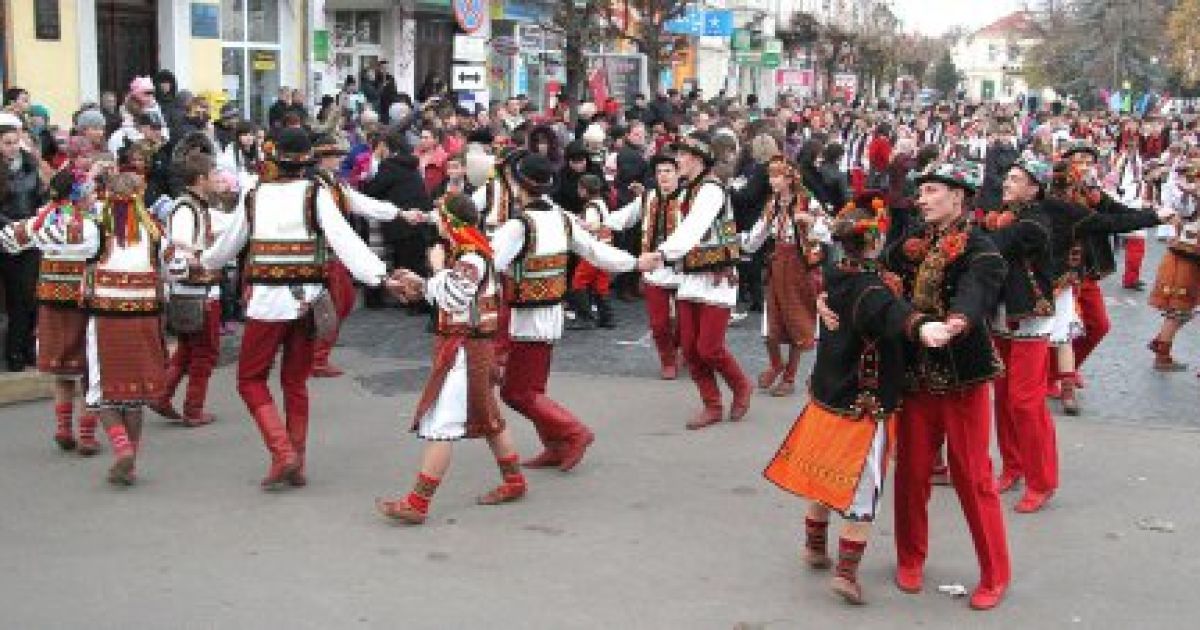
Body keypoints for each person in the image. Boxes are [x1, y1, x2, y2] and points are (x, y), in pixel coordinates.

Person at [765, 199, 952, 605]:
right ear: (873, 240)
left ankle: (814, 547)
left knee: (824, 477)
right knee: (863, 489)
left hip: (829, 394)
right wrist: (927, 328)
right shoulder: (871, 289)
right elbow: (896, 315)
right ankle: (846, 573)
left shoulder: (836, 274)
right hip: (863, 402)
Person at [196, 129, 394, 489]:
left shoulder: (255, 196)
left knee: (250, 379)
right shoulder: (315, 193)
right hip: (308, 300)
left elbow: (228, 245)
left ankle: (281, 451)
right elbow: (343, 239)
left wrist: (205, 260)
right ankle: (296, 460)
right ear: (308, 161)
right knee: (295, 381)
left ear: (274, 157)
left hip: (268, 304)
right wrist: (381, 277)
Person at [881, 161, 1011, 610]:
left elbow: (978, 289)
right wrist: (834, 293)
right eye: (921, 190)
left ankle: (995, 572)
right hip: (916, 378)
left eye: (932, 190)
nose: (922, 197)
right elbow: (878, 279)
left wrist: (956, 322)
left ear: (959, 197)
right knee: (912, 472)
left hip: (963, 379)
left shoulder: (981, 248)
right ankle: (910, 557)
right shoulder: (911, 244)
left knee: (974, 477)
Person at [376, 193, 526, 524]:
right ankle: (514, 481)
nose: (438, 223)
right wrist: (423, 283)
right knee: (489, 417)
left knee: (442, 424)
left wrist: (436, 267)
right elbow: (451, 292)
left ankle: (418, 502)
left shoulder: (470, 256)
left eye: (441, 217)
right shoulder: (472, 251)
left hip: (466, 349)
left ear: (451, 222)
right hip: (471, 346)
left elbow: (455, 297)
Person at [492, 153, 647, 471]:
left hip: (528, 317)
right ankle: (555, 445)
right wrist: (633, 262)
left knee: (517, 392)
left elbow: (486, 262)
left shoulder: (519, 225)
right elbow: (595, 250)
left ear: (520, 187)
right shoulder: (560, 219)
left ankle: (573, 432)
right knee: (531, 389)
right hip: (548, 313)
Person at [39, 171, 181, 485]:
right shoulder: (155, 232)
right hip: (145, 320)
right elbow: (177, 269)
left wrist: (34, 226)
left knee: (103, 392)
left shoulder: (95, 229)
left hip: (106, 320)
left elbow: (52, 240)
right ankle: (131, 460)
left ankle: (121, 450)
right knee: (134, 395)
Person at [639, 132, 752, 430]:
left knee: (709, 347)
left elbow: (693, 228)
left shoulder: (711, 189)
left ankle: (741, 386)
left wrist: (661, 255)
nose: (677, 161)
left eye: (682, 156)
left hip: (717, 276)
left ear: (698, 158)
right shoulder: (690, 189)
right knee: (689, 349)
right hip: (691, 274)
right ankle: (712, 404)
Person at [0, 169, 100, 455]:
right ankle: (86, 435)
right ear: (78, 196)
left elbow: (9, 238)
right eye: (89, 191)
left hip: (50, 300)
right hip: (82, 301)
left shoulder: (43, 220)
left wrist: (38, 239)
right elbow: (96, 250)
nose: (93, 196)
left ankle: (63, 428)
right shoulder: (89, 224)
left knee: (62, 371)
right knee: (87, 371)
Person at [308, 133, 415, 377]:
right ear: (321, 159)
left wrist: (399, 213)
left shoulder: (332, 183)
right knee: (334, 302)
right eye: (332, 156)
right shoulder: (315, 186)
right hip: (319, 252)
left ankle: (316, 354)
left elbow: (361, 203)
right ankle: (315, 356)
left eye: (337, 156)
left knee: (340, 301)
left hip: (332, 252)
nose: (337, 160)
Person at [149, 154, 230, 426]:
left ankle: (162, 396)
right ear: (200, 180)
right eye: (213, 175)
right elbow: (179, 249)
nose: (218, 180)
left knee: (187, 349)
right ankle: (193, 409)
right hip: (196, 291)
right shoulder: (186, 209)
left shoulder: (197, 206)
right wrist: (206, 260)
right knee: (205, 352)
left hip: (194, 291)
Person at [740, 157, 824, 397]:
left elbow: (829, 231)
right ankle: (776, 364)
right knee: (771, 320)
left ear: (789, 178)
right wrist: (736, 244)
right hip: (778, 264)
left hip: (801, 266)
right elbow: (757, 235)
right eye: (770, 175)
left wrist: (811, 221)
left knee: (797, 320)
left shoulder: (808, 202)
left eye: (776, 176)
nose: (771, 180)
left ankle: (790, 376)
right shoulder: (773, 204)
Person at [605, 154, 684, 378]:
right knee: (659, 323)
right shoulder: (648, 197)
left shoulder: (690, 197)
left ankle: (680, 349)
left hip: (683, 268)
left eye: (668, 171)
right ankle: (667, 361)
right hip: (654, 268)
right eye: (659, 172)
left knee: (684, 323)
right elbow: (625, 217)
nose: (663, 176)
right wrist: (601, 222)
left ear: (678, 173)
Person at [0, 121, 44, 372]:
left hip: (30, 238)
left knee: (29, 297)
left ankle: (27, 348)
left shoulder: (30, 166)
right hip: (6, 239)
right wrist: (13, 227)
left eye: (16, 141)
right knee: (15, 298)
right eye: (7, 143)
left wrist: (34, 223)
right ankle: (14, 352)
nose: (13, 147)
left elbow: (39, 198)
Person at [1147, 170, 1199, 371]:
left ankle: (1161, 344)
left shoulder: (1187, 191)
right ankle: (1162, 352)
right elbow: (1181, 211)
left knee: (1183, 308)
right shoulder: (1186, 192)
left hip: (1186, 252)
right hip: (1188, 255)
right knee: (1181, 308)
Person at [568, 174, 617, 330]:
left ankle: (585, 318)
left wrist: (577, 222)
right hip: (606, 248)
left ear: (584, 190)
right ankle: (607, 318)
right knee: (601, 284)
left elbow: (592, 226)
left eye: (579, 188)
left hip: (593, 250)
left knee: (578, 281)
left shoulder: (591, 207)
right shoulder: (601, 203)